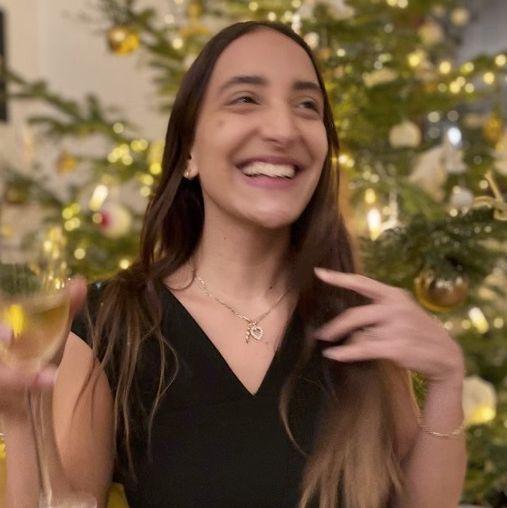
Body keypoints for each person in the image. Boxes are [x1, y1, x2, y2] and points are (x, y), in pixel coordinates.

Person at [1, 20, 466, 508]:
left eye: (307, 105)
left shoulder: (359, 316)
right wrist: (24, 416)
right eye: (245, 99)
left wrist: (445, 381)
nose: (283, 129)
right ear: (188, 152)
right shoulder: (113, 322)